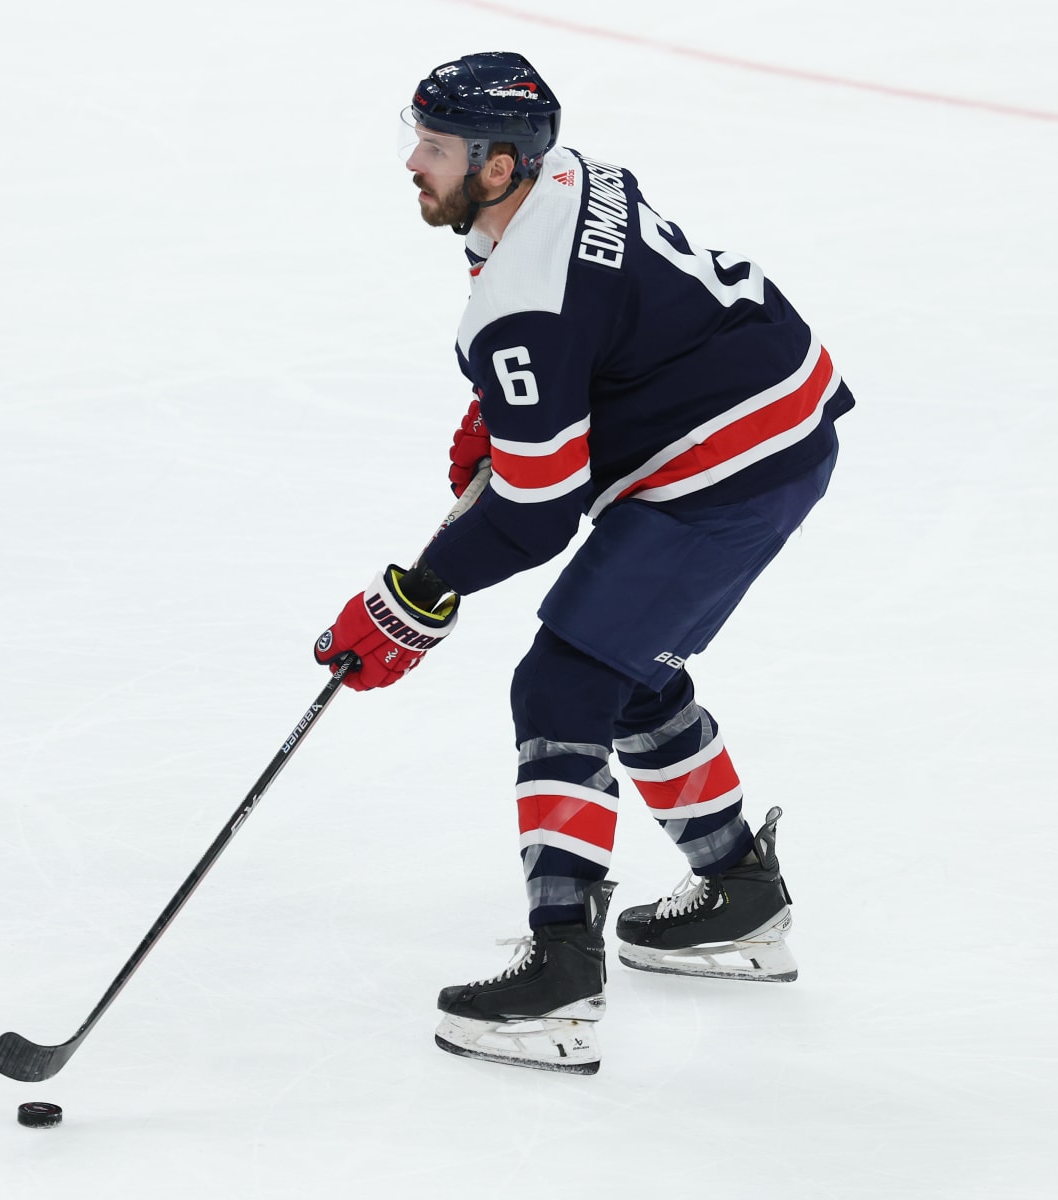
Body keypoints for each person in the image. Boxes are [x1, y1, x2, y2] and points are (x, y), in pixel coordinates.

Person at [313, 51, 854, 1074]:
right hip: (769, 405)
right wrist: (514, 413)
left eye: (434, 149)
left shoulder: (525, 306)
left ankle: (560, 976)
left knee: (564, 680)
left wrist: (412, 601)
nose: (412, 165)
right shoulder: (570, 180)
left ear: (499, 164)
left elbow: (534, 513)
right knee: (623, 661)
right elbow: (604, 319)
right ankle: (736, 897)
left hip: (732, 458)